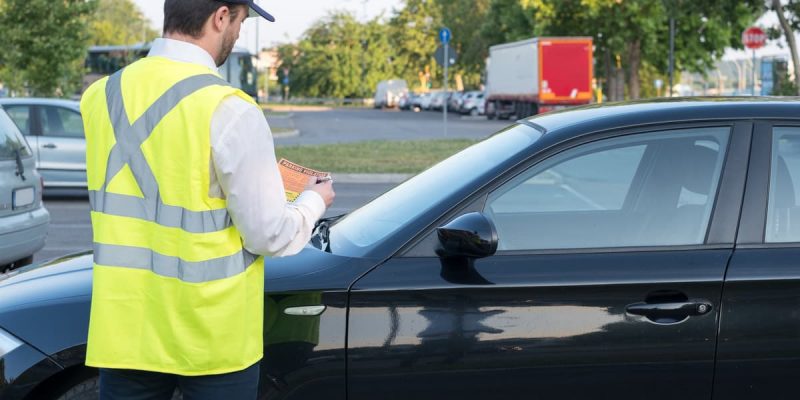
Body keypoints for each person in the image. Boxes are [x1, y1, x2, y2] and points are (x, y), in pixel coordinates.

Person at [79, 1, 335, 398]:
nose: (236, 34)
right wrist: (313, 200)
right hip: (212, 340)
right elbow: (269, 236)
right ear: (220, 17)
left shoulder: (100, 96)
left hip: (124, 334)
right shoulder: (230, 108)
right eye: (240, 22)